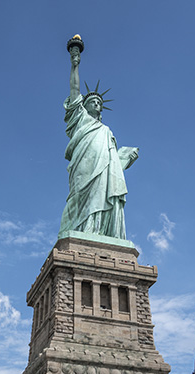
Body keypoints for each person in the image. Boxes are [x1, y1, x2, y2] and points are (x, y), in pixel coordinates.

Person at [59, 37, 139, 240]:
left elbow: (113, 165)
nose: (97, 104)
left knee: (103, 192)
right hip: (83, 165)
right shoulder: (80, 119)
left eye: (99, 102)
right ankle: (82, 231)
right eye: (92, 101)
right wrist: (74, 64)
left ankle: (98, 231)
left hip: (104, 169)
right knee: (79, 196)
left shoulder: (106, 131)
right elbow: (75, 90)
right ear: (84, 106)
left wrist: (124, 158)